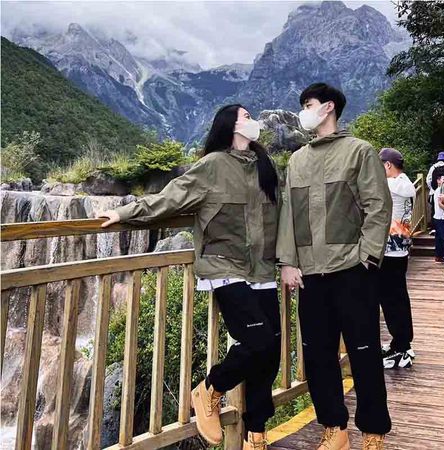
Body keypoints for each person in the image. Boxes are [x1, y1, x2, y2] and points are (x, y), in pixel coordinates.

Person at [99, 104, 281, 450]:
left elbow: (282, 213)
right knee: (258, 341)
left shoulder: (264, 165)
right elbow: (171, 198)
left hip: (262, 268)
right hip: (224, 266)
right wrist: (124, 212)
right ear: (230, 125)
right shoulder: (212, 165)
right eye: (245, 116)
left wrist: (289, 260)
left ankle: (255, 434)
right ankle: (210, 388)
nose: (252, 120)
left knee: (270, 352)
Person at [277, 83, 392, 450]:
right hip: (310, 276)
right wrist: (288, 262)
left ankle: (373, 432)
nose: (303, 111)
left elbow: (378, 206)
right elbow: (287, 215)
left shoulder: (359, 151)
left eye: (308, 104)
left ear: (328, 107)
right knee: (317, 355)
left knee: (364, 352)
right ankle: (334, 429)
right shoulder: (297, 160)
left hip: (352, 272)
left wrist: (367, 258)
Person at [378, 148, 416, 369]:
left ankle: (401, 349)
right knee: (399, 298)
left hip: (389, 251)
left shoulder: (391, 185)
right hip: (401, 250)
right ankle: (402, 343)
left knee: (391, 301)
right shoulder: (405, 183)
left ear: (388, 165)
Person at [426, 151, 444, 232]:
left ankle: (434, 228)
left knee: (434, 210)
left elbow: (428, 180)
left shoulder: (433, 167)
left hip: (434, 192)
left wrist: (433, 189)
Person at [431, 167, 444, 263]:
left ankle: (439, 256)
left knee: (439, 238)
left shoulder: (438, 190)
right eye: (443, 179)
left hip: (437, 217)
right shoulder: (439, 191)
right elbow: (440, 204)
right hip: (441, 217)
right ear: (438, 180)